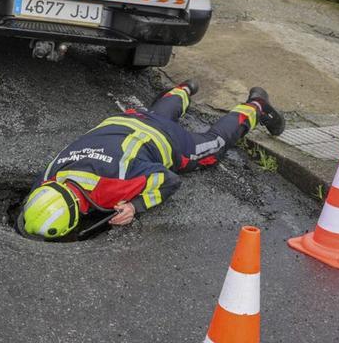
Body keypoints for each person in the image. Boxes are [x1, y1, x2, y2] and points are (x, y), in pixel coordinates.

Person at [17, 81, 285, 241]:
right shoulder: (51, 176)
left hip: (165, 140)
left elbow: (169, 180)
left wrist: (135, 206)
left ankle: (257, 105)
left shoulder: (115, 186)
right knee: (156, 114)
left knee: (213, 145)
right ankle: (184, 89)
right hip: (124, 121)